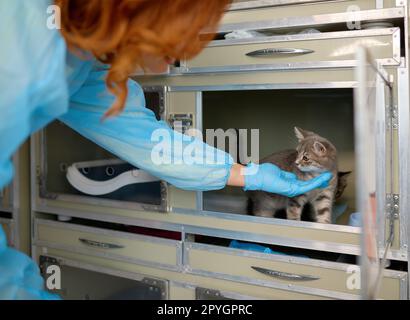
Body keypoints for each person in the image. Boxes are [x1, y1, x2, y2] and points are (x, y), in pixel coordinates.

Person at [0, 0, 332, 300]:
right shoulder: (26, 32)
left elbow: (151, 143)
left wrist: (248, 173)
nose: (163, 68)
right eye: (172, 45)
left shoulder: (87, 63)